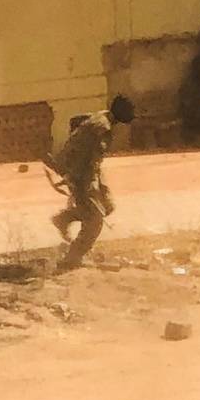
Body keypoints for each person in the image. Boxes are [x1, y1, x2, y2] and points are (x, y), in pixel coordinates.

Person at [48, 94, 135, 271]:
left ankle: (64, 218)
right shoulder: (102, 128)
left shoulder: (101, 117)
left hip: (89, 170)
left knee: (107, 205)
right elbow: (86, 159)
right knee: (95, 220)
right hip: (82, 173)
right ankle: (72, 258)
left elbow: (75, 126)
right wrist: (75, 180)